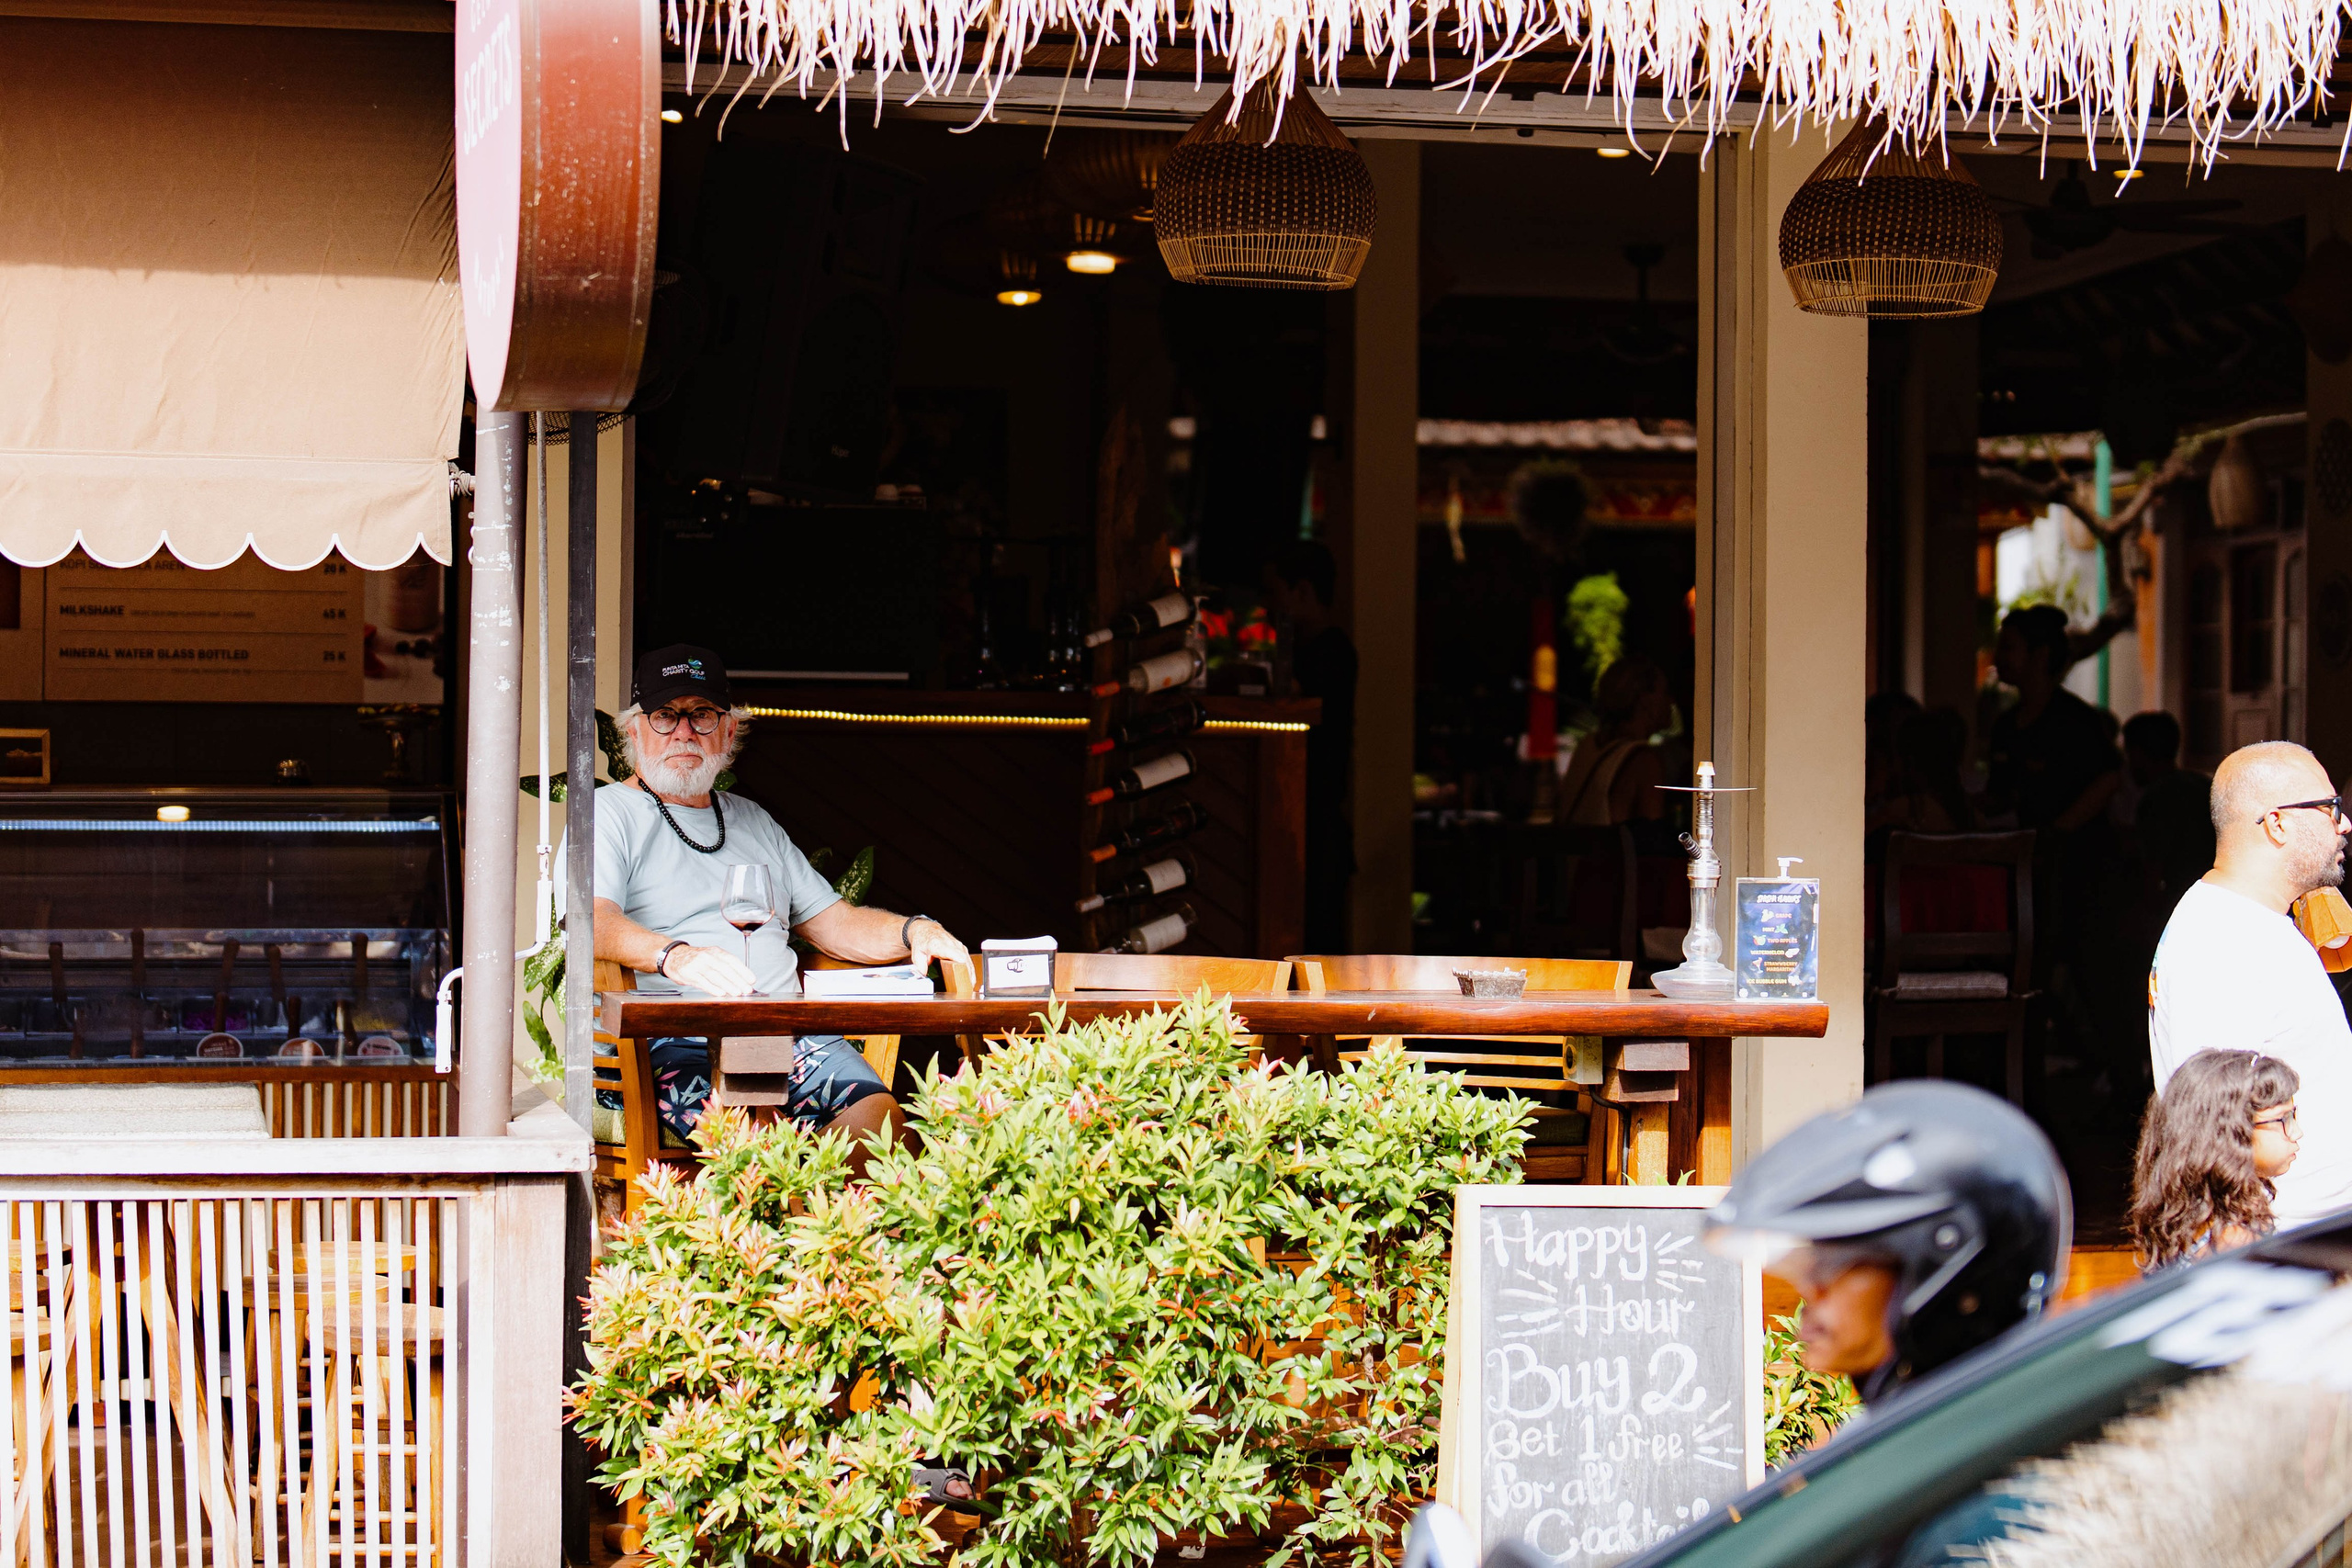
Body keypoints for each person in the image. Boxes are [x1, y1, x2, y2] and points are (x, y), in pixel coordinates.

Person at [583, 644, 971, 1170]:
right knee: (753, 1141)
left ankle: (827, 1248)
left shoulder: (752, 821)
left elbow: (833, 922)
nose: (683, 732)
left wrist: (915, 931)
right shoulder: (609, 814)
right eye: (665, 716)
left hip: (788, 1035)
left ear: (728, 731)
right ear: (634, 734)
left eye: (702, 715)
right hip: (671, 1044)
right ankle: (777, 1244)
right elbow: (592, 922)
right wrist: (676, 956)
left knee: (882, 1126)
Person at [1703, 1079, 2070, 1405]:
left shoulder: (1983, 1464)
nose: (1810, 1292)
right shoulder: (1925, 1440)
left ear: (1948, 1267)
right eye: (1810, 1263)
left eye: (1834, 1264)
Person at [2148, 739, 2352, 1225]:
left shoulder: (2251, 921)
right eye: (2330, 808)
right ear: (2277, 823)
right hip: (2289, 1247)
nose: (2344, 824)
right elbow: (2214, 1134)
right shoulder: (2222, 941)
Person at [2129, 1047, 2301, 1269]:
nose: (2297, 1132)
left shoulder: (2189, 1221)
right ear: (2233, 1133)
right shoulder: (2234, 1242)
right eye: (2283, 1119)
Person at [1268, 543, 1358, 953]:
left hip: (1317, 813)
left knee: (1317, 939)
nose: (1271, 606)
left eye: (1276, 592)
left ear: (1301, 590)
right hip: (1303, 812)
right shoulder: (1304, 650)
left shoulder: (1332, 653)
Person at [1981, 604, 2120, 837]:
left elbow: (2109, 778)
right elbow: (2000, 795)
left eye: (2008, 648)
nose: (1998, 657)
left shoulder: (2076, 720)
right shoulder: (2005, 725)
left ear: (2041, 655)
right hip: (2035, 856)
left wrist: (2058, 830)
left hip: (2080, 858)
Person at [1556, 656, 1672, 827]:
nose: (1671, 701)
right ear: (1644, 700)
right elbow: (1653, 835)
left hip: (1574, 852)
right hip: (1605, 853)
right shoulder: (1642, 760)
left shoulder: (1588, 744)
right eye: (1665, 692)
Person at [2121, 710, 2215, 913]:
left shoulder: (2157, 797)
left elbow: (2153, 871)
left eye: (2128, 753)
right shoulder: (2204, 786)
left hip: (2175, 904)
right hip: (2212, 894)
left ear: (2137, 753)